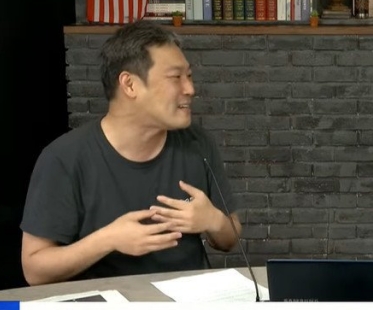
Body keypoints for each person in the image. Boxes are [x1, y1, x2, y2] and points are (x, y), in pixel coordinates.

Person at [20, 21, 241, 285]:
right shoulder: (65, 158)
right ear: (130, 85)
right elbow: (35, 270)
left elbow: (230, 239)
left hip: (189, 304)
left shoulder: (198, 144)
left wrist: (214, 221)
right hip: (108, 308)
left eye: (189, 76)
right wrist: (108, 239)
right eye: (176, 77)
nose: (190, 89)